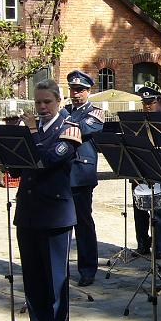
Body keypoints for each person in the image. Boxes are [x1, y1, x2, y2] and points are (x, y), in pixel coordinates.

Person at [15, 79, 82, 321]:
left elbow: (46, 160)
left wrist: (30, 132)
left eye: (47, 102)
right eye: (38, 102)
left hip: (54, 213)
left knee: (54, 279)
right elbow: (17, 166)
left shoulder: (69, 130)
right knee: (32, 277)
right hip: (28, 210)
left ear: (59, 102)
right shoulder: (30, 131)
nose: (41, 107)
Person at [64, 70, 104, 287]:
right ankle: (61, 267)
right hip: (61, 173)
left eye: (80, 90)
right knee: (61, 223)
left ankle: (87, 269)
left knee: (83, 223)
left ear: (89, 91)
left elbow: (80, 130)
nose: (76, 93)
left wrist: (63, 125)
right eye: (73, 89)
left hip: (81, 173)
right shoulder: (65, 111)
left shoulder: (95, 112)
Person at [131, 82, 161, 260]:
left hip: (159, 170)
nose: (147, 106)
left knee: (159, 211)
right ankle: (142, 244)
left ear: (158, 101)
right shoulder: (136, 123)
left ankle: (160, 247)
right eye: (144, 102)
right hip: (140, 171)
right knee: (139, 210)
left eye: (151, 102)